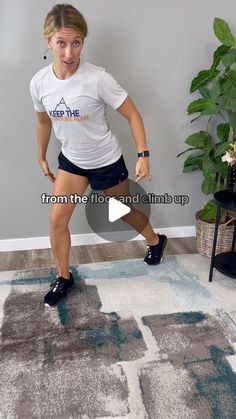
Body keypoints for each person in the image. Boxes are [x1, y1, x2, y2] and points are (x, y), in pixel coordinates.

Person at [30, 3, 167, 307]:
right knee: (57, 219)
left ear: (83, 42)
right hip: (72, 163)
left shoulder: (98, 78)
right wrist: (41, 155)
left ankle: (156, 241)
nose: (69, 53)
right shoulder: (39, 83)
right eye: (61, 43)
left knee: (122, 210)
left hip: (106, 161)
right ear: (48, 41)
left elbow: (133, 115)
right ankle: (64, 277)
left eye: (76, 43)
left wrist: (143, 154)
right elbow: (42, 121)